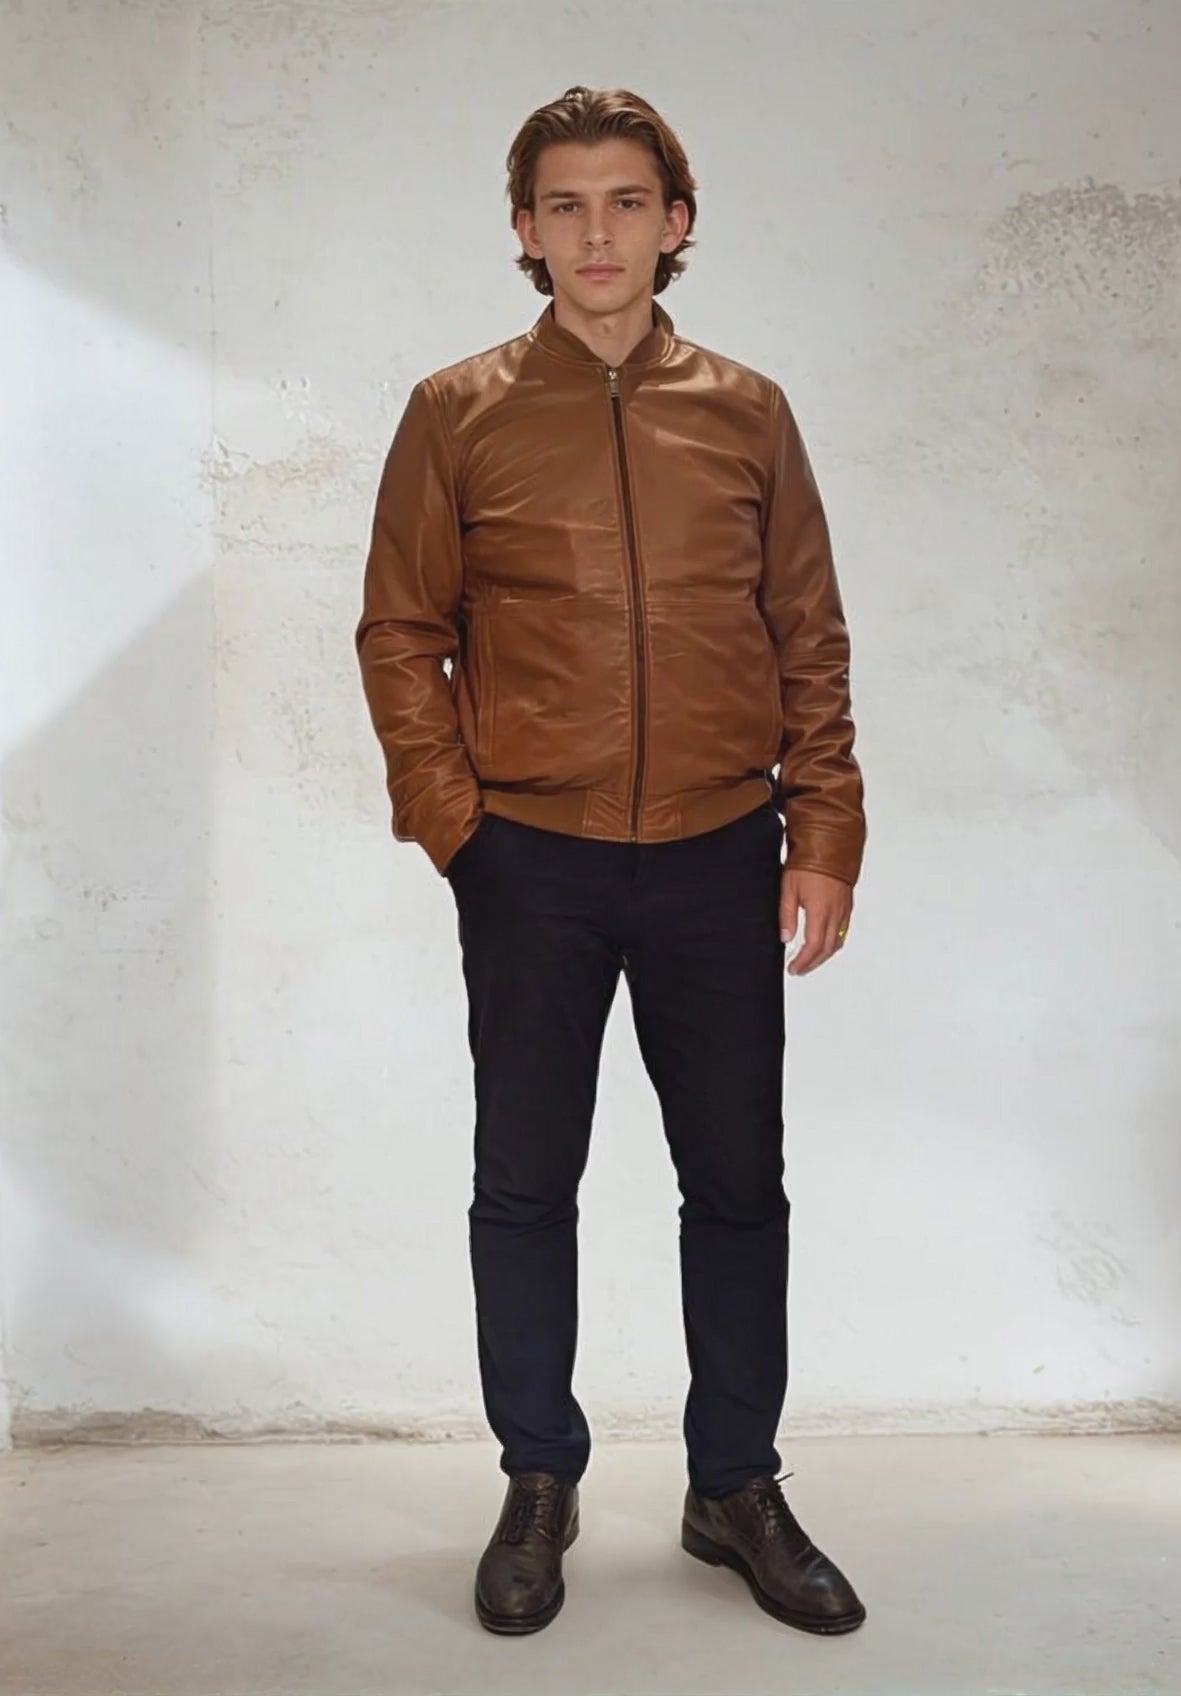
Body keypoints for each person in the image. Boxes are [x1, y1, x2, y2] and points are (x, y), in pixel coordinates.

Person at [356, 84, 867, 1638]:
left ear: (675, 221)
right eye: (567, 206)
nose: (598, 233)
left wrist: (823, 828)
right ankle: (538, 1479)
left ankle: (736, 1488)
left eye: (627, 202)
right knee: (523, 1185)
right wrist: (461, 831)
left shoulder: (749, 411)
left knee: (738, 1186)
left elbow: (808, 634)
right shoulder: (456, 411)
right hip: (534, 862)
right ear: (526, 230)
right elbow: (401, 633)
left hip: (719, 853)